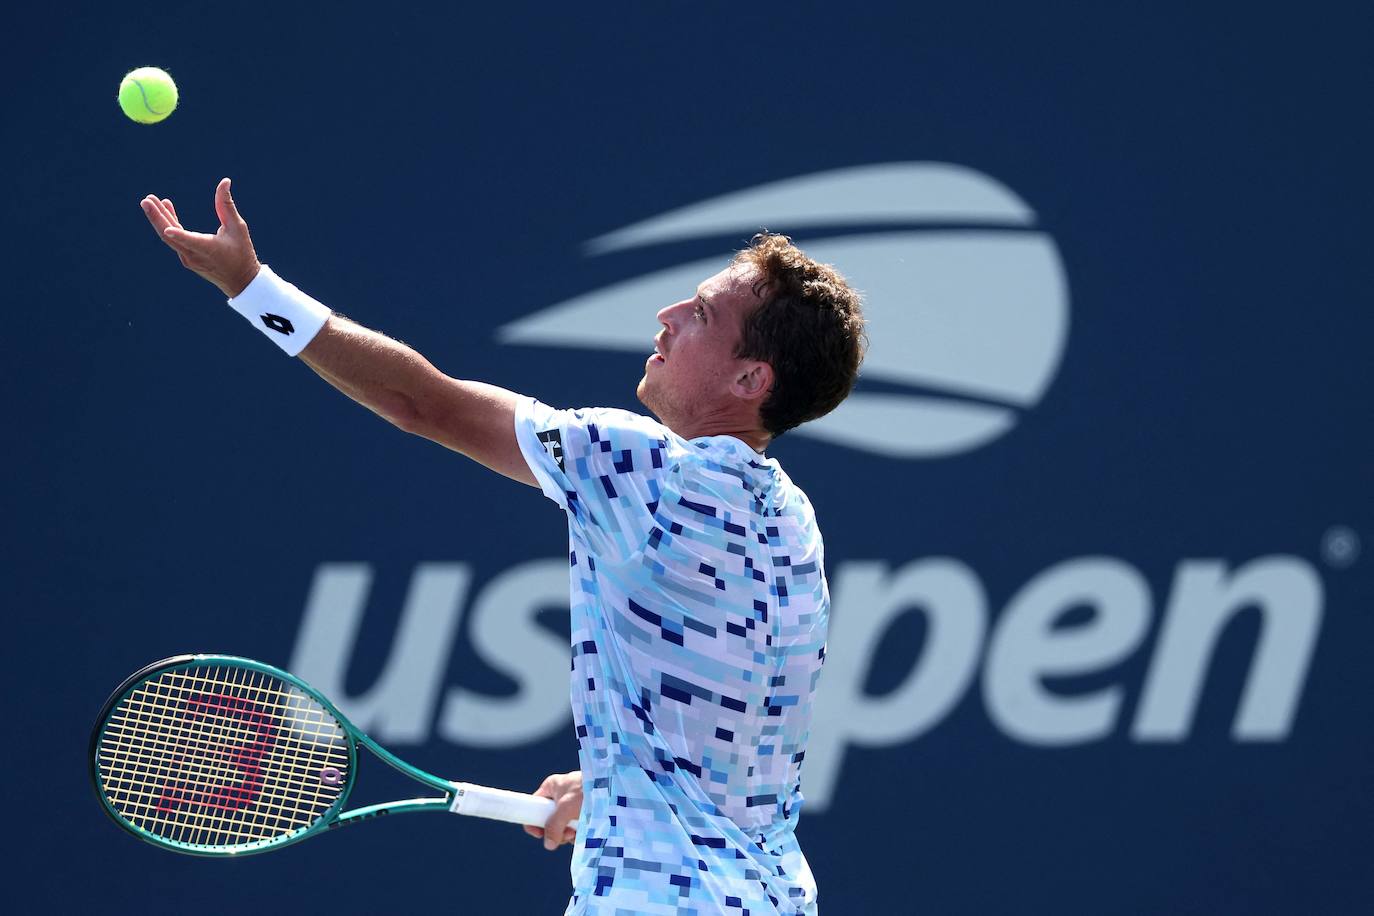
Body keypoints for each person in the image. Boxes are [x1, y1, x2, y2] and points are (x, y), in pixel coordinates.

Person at [140, 178, 866, 915]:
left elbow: (422, 402)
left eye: (703, 314)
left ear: (750, 378)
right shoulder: (790, 518)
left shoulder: (640, 467)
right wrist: (620, 789)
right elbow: (739, 733)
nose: (669, 315)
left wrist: (249, 285)